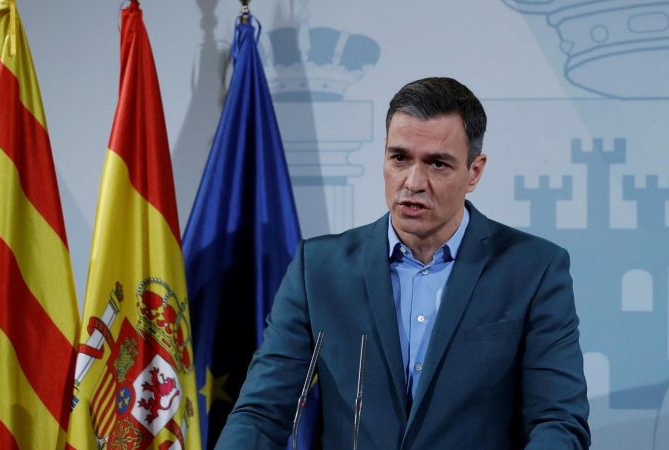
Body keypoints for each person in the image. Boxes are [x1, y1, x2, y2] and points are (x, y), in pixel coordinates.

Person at [214, 77, 590, 450]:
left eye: (438, 164)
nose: (413, 182)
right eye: (400, 158)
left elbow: (557, 422)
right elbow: (261, 414)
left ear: (474, 171)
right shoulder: (318, 269)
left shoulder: (534, 270)